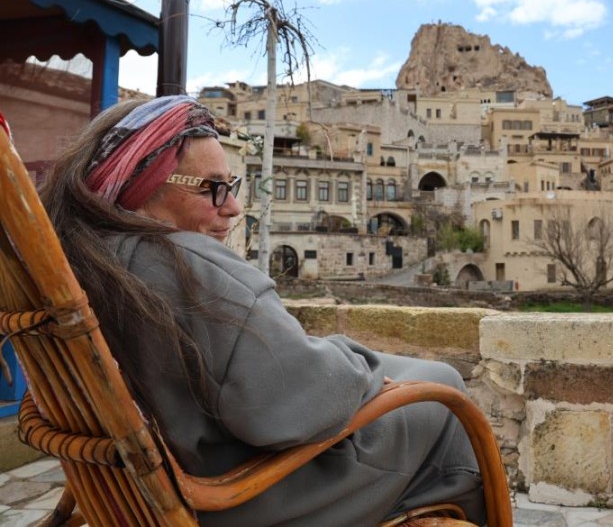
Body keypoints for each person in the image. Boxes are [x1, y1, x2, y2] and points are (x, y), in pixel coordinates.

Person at [39, 96, 485, 527]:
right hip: (245, 497)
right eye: (213, 188)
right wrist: (358, 367)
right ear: (143, 187)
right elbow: (301, 402)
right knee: (442, 383)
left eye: (231, 187)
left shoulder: (86, 263)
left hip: (151, 492)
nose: (233, 207)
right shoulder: (184, 266)